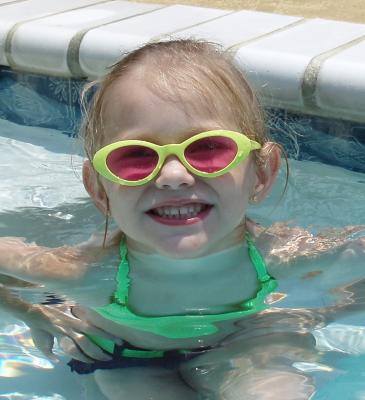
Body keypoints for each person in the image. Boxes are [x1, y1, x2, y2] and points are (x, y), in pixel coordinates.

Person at [0, 39, 364, 399]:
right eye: (136, 156)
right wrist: (34, 314)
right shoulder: (93, 273)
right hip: (126, 359)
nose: (174, 175)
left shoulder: (281, 253)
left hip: (239, 344)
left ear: (262, 174)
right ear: (99, 189)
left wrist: (327, 312)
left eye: (208, 148)